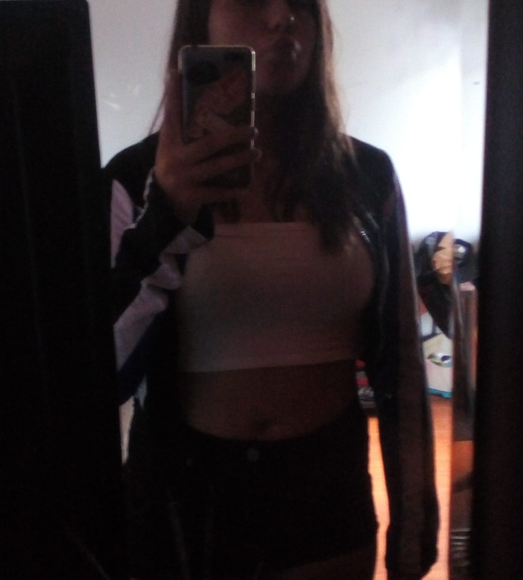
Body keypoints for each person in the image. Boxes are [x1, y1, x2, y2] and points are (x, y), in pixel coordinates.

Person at [105, 1, 439, 579]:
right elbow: (101, 370)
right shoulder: (135, 178)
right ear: (201, 22)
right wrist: (165, 217)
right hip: (186, 507)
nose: (283, 16)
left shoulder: (366, 175)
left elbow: (402, 367)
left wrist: (413, 527)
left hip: (325, 497)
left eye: (300, 3)